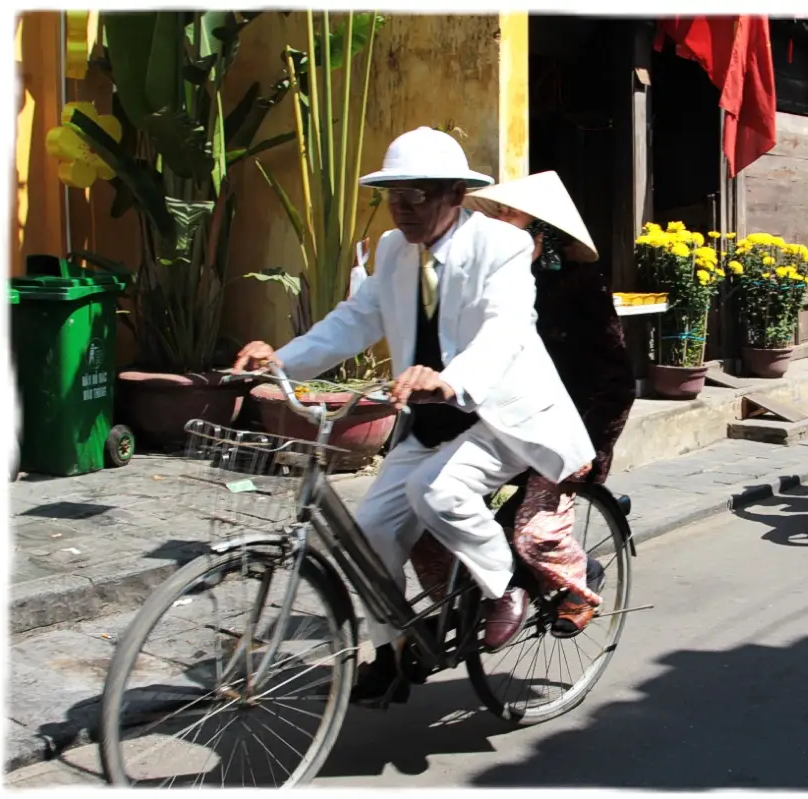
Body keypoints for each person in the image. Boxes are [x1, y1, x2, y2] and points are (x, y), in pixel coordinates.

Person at [232, 127, 596, 703]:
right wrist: (282, 360)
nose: (403, 207)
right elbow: (356, 318)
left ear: (456, 193)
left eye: (419, 194)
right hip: (427, 422)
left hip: (498, 413)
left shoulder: (499, 246)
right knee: (370, 530)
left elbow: (506, 330)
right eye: (393, 193)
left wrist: (450, 381)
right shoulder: (394, 250)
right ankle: (393, 648)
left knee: (438, 491)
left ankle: (508, 586)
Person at [407, 171, 636, 637]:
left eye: (511, 218)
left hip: (557, 435)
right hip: (492, 429)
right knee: (424, 520)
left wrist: (588, 452)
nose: (496, 228)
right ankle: (466, 605)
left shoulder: (579, 290)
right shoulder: (485, 284)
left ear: (542, 237)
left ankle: (579, 578)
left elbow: (614, 382)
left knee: (531, 534)